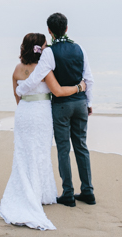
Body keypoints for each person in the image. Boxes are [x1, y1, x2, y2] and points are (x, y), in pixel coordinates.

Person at [0, 33, 86, 230]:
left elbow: (17, 96)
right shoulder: (44, 70)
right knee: (40, 153)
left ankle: (27, 191)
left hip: (23, 115)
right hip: (41, 115)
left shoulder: (17, 70)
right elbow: (59, 91)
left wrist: (25, 111)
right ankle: (38, 195)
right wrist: (80, 87)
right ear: (40, 49)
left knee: (23, 154)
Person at [14, 13, 95, 207]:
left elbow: (34, 79)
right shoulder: (79, 48)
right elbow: (89, 79)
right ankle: (88, 192)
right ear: (66, 28)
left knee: (63, 149)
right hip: (80, 103)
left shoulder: (49, 53)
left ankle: (68, 193)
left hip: (61, 106)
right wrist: (89, 102)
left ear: (49, 31)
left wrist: (20, 89)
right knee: (81, 147)